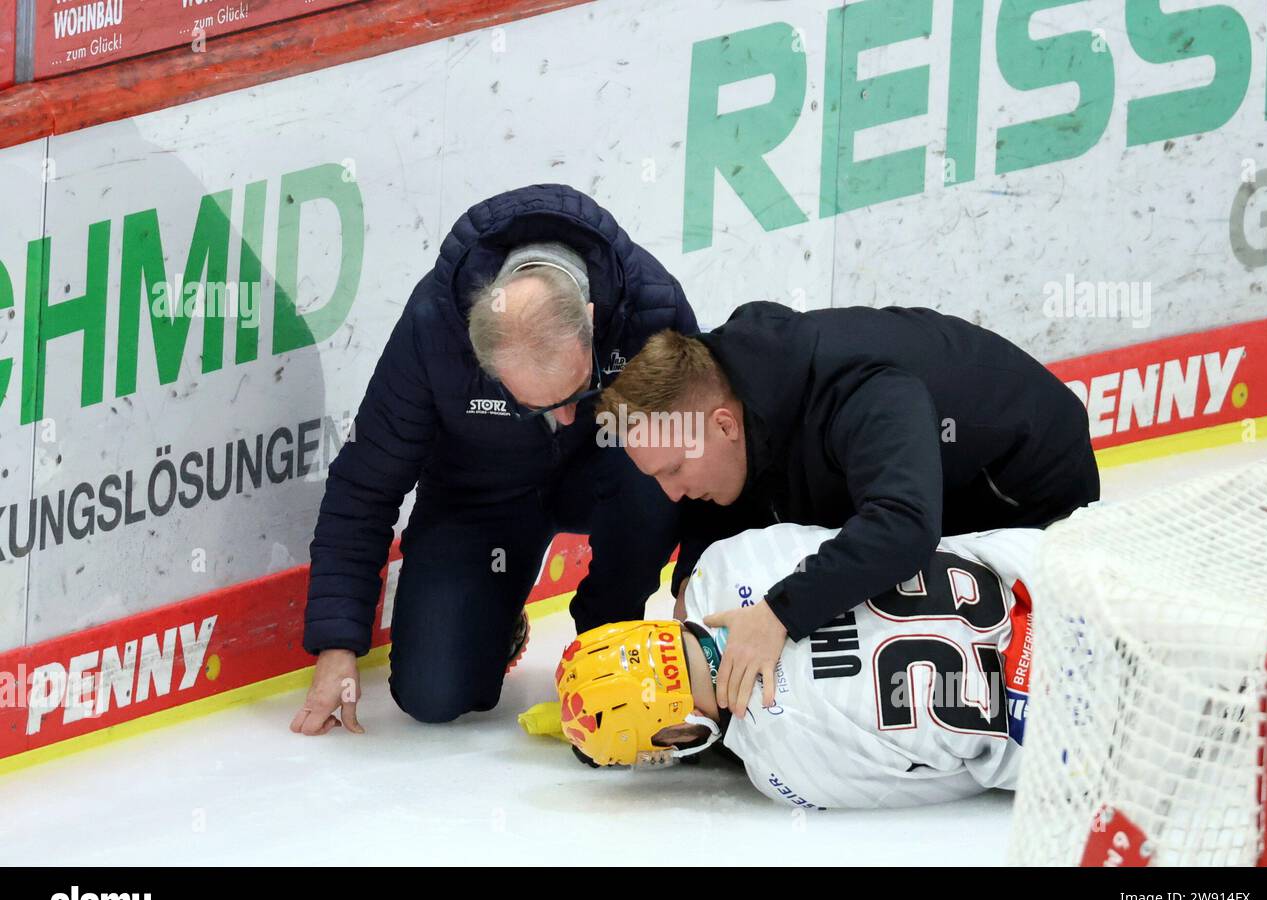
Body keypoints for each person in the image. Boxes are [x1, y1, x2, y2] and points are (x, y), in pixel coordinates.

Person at [291, 184, 696, 735]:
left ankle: (604, 635)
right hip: (482, 497)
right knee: (432, 695)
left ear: (593, 319)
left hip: (609, 481)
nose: (568, 418)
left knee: (655, 472)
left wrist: (697, 603)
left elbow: (705, 454)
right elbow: (366, 483)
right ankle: (497, 621)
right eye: (536, 405)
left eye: (575, 393)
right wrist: (337, 643)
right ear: (483, 358)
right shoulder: (434, 325)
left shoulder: (650, 304)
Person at [598, 301, 1096, 718]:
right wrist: (692, 576)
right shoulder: (737, 393)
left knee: (869, 605)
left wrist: (777, 615)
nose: (671, 493)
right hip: (923, 489)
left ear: (726, 426)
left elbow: (904, 526)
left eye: (673, 470)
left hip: (1023, 500)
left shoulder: (857, 392)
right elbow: (736, 492)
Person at [556, 522, 1040, 809]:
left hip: (1069, 719)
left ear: (683, 735)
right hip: (1057, 571)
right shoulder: (726, 560)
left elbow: (950, 783)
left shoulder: (780, 770)